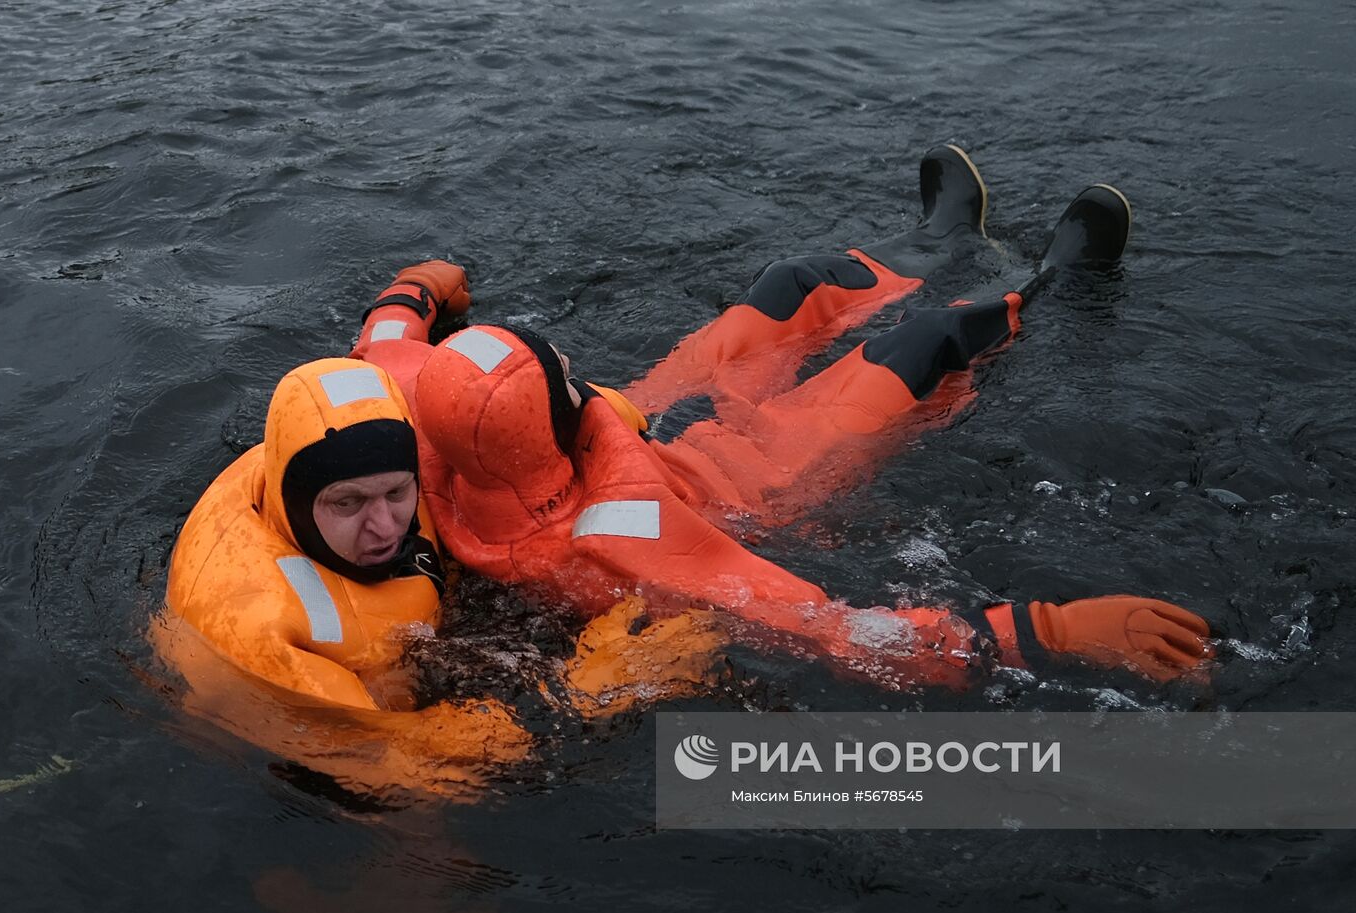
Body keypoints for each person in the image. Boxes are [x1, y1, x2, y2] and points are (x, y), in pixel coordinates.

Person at [353, 145, 1211, 691]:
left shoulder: (429, 426)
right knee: (922, 346)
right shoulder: (621, 544)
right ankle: (1053, 276)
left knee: (787, 283)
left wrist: (418, 286)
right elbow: (832, 630)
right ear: (553, 413)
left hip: (654, 423)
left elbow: (389, 343)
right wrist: (1043, 633)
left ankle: (942, 238)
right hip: (747, 483)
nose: (572, 366)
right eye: (563, 373)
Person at [153, 357, 533, 799]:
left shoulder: (381, 462)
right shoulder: (259, 631)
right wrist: (593, 681)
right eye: (347, 504)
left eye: (396, 493)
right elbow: (411, 768)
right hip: (272, 761)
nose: (386, 528)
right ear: (294, 503)